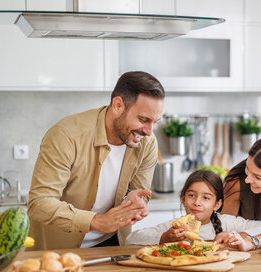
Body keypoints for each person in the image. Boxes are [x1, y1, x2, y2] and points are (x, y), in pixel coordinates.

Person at [28, 71, 164, 250]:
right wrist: (97, 221)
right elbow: (39, 203)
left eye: (155, 122)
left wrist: (133, 202)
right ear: (117, 105)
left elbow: (139, 193)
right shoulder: (66, 135)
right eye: (143, 119)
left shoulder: (147, 143)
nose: (149, 131)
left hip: (112, 244)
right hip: (59, 249)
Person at [126, 170, 261, 245]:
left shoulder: (226, 223)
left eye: (206, 198)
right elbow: (130, 239)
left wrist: (237, 235)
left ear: (217, 204)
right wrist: (164, 238)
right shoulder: (174, 228)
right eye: (192, 195)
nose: (197, 203)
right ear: (183, 198)